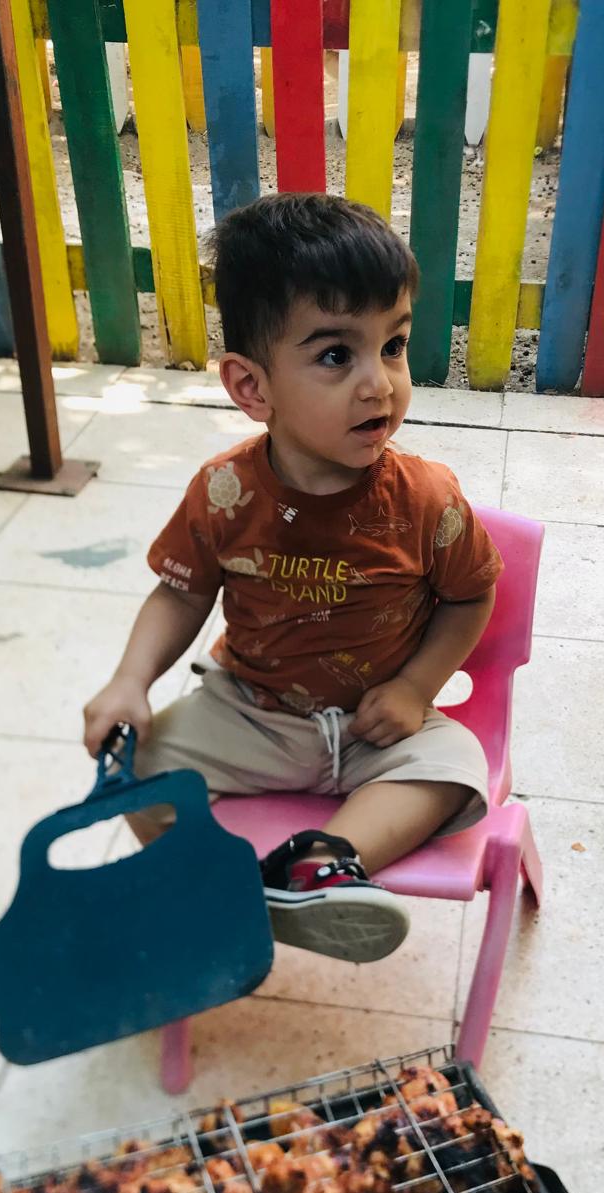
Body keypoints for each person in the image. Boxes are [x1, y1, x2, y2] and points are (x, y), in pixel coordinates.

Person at [82, 192, 503, 964]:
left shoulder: (426, 499)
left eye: (395, 345)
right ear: (252, 388)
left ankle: (316, 867)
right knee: (136, 772)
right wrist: (129, 683)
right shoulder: (224, 493)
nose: (379, 383)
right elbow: (180, 590)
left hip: (380, 727)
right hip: (253, 711)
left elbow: (471, 593)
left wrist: (415, 690)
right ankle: (226, 882)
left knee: (457, 770)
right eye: (337, 355)